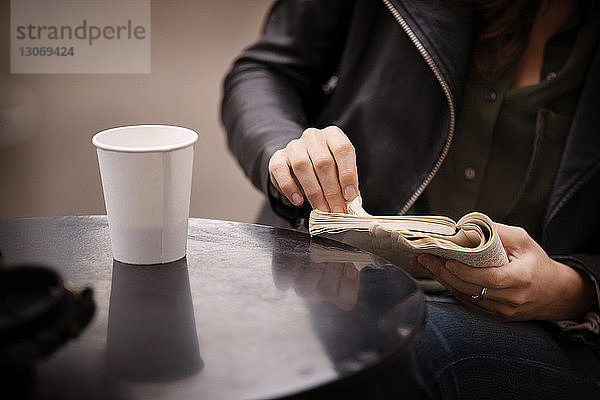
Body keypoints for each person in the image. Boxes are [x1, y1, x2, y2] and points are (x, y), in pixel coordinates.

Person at [221, 0, 600, 397]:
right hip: (333, 269)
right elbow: (267, 71)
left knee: (389, 351)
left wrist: (575, 290)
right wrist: (288, 153)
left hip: (545, 331)